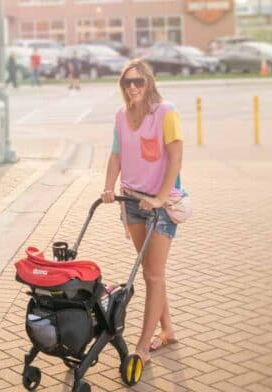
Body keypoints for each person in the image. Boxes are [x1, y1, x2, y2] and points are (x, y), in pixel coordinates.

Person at [101, 59, 184, 365]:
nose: (132, 87)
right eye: (126, 82)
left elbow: (176, 157)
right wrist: (108, 186)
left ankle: (143, 346)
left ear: (149, 82)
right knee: (152, 274)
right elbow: (116, 154)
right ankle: (168, 330)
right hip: (131, 202)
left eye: (138, 81)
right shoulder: (122, 116)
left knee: (152, 275)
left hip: (160, 205)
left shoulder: (166, 112)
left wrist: (161, 197)